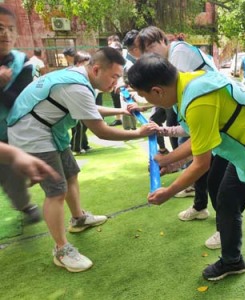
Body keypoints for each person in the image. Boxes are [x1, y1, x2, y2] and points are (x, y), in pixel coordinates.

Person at [128, 54, 245, 299]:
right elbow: (199, 135)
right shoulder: (187, 84)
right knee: (226, 203)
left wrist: (168, 192)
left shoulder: (197, 99)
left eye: (145, 96)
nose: (145, 100)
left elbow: (201, 163)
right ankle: (232, 261)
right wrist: (171, 160)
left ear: (157, 91)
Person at [7, 47, 155, 273]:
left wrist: (122, 111)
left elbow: (88, 107)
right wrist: (138, 133)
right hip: (32, 133)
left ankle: (78, 219)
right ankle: (61, 249)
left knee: (70, 172)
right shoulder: (76, 85)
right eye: (114, 76)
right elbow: (102, 132)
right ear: (96, 69)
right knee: (56, 189)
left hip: (47, 129)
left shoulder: (77, 76)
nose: (116, 82)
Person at [135, 26, 219, 236]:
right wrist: (173, 160)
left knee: (222, 187)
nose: (151, 55)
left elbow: (201, 157)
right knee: (208, 171)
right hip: (217, 130)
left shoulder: (193, 94)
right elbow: (193, 136)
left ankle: (226, 234)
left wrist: (169, 189)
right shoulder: (187, 94)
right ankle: (202, 207)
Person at [0, 6, 41, 224]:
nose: (5, 34)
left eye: (10, 29)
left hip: (7, 134)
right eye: (0, 28)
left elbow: (18, 102)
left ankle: (25, 205)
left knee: (13, 176)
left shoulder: (22, 62)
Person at [70, 51, 92, 154]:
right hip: (73, 103)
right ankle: (76, 148)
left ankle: (84, 144)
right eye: (86, 62)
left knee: (84, 125)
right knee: (78, 126)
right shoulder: (73, 72)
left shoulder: (83, 73)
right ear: (79, 62)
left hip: (81, 102)